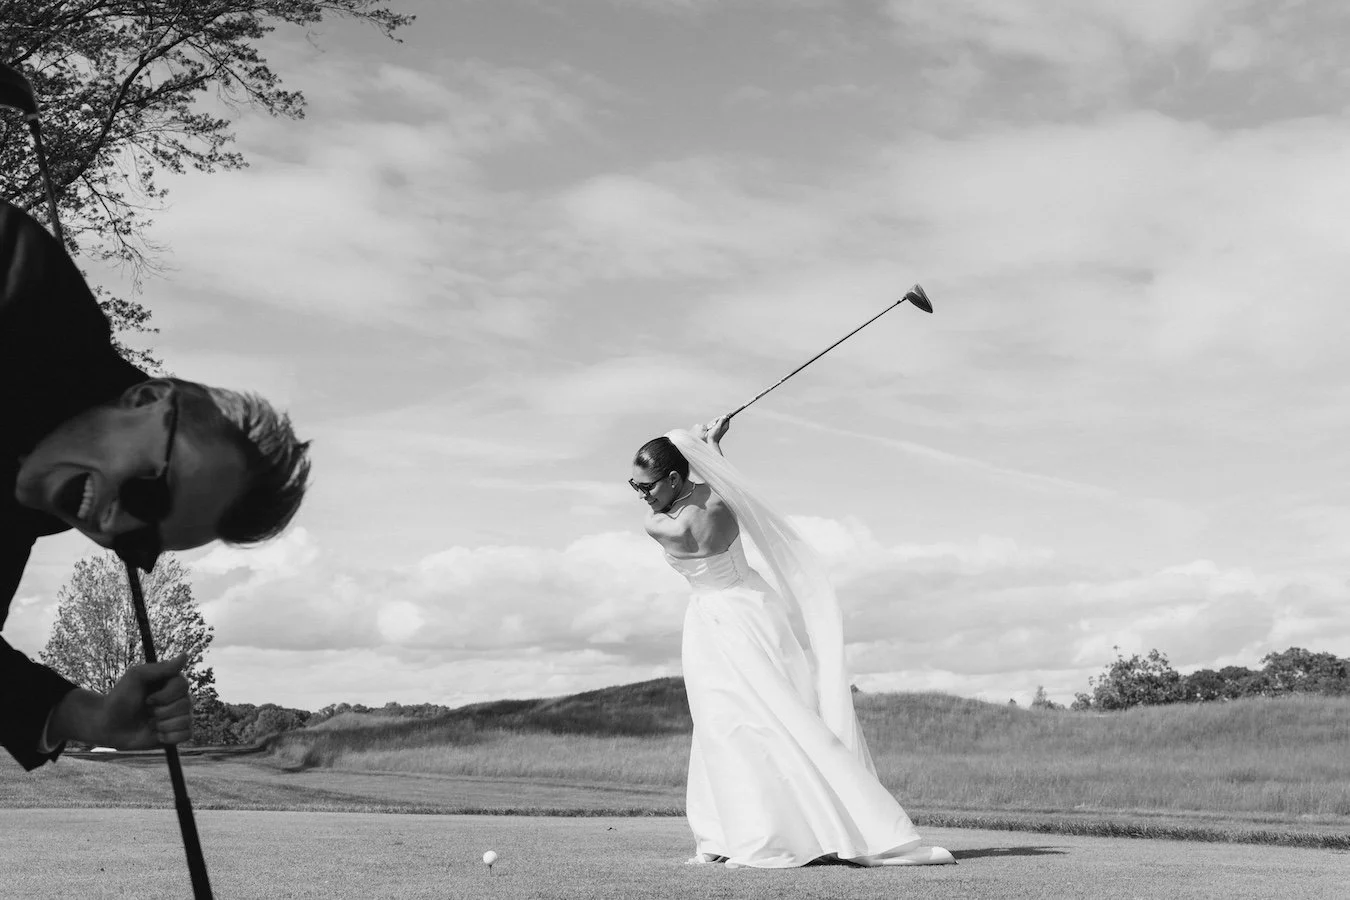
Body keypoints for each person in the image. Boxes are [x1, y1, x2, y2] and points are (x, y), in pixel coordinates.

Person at [1, 198, 312, 770]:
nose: (114, 525)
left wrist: (85, 715)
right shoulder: (31, 301)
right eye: (149, 493)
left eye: (139, 544)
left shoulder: (23, 516)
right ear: (146, 401)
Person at [630, 415, 954, 869]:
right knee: (746, 719)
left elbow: (661, 515)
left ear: (672, 477)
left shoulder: (658, 525)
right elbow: (722, 490)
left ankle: (754, 834)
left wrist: (702, 452)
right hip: (755, 608)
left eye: (645, 485)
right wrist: (712, 452)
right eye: (635, 485)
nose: (641, 494)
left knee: (745, 721)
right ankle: (735, 833)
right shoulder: (721, 502)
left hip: (716, 619)